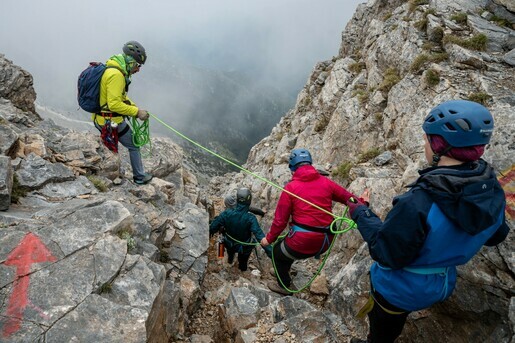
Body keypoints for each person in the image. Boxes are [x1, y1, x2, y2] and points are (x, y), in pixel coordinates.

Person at [346, 100, 510, 343]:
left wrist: (361, 213)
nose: (424, 145)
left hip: (398, 291)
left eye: (426, 140)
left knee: (383, 331)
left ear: (438, 146)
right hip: (441, 284)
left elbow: (385, 253)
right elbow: (497, 235)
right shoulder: (491, 189)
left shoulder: (419, 202)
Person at [260, 148, 360, 295]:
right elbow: (349, 198)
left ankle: (284, 285)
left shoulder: (291, 188)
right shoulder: (326, 182)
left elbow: (280, 221)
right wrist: (363, 202)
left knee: (276, 252)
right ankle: (285, 269)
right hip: (326, 241)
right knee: (286, 247)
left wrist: (267, 240)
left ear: (292, 168)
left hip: (303, 242)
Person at [92, 40, 152, 185]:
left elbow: (121, 97)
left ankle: (116, 173)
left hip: (102, 118)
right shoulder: (116, 75)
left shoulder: (113, 68)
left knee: (113, 148)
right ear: (131, 61)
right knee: (134, 145)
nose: (138, 69)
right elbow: (114, 104)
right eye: (138, 65)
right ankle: (139, 177)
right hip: (110, 121)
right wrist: (136, 112)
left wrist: (134, 107)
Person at [210, 188, 271, 271]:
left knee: (229, 252)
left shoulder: (226, 213)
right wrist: (271, 253)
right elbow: (259, 235)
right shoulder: (251, 218)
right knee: (243, 261)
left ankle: (229, 261)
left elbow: (214, 226)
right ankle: (242, 270)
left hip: (229, 243)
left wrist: (211, 231)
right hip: (244, 247)